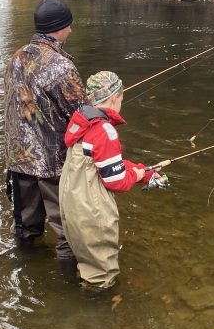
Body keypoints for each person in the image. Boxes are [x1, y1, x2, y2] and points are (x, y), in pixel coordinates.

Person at [59, 70, 166, 288]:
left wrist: (143, 172)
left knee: (85, 260)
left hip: (71, 206)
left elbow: (101, 163)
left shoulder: (81, 122)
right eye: (121, 99)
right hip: (91, 212)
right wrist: (137, 175)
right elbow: (117, 181)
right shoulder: (104, 130)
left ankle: (77, 293)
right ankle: (98, 305)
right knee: (101, 275)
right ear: (115, 97)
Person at [4, 0, 85, 260]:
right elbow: (80, 115)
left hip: (18, 158)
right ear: (59, 27)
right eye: (68, 25)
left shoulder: (15, 58)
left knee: (25, 226)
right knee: (67, 228)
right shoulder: (61, 66)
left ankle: (25, 270)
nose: (71, 30)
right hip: (53, 163)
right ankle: (69, 281)